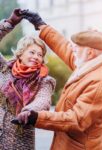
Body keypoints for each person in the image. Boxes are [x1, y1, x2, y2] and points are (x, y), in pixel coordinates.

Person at [18, 10, 102, 150]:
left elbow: (76, 120)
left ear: (89, 52)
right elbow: (65, 48)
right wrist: (41, 26)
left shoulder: (100, 82)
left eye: (76, 47)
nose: (72, 48)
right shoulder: (93, 61)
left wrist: (36, 117)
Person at [0, 11, 56, 149]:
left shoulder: (44, 80)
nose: (36, 57)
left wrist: (29, 111)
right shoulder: (4, 68)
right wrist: (9, 23)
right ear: (21, 53)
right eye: (32, 52)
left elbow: (43, 99)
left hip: (19, 140)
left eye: (40, 54)